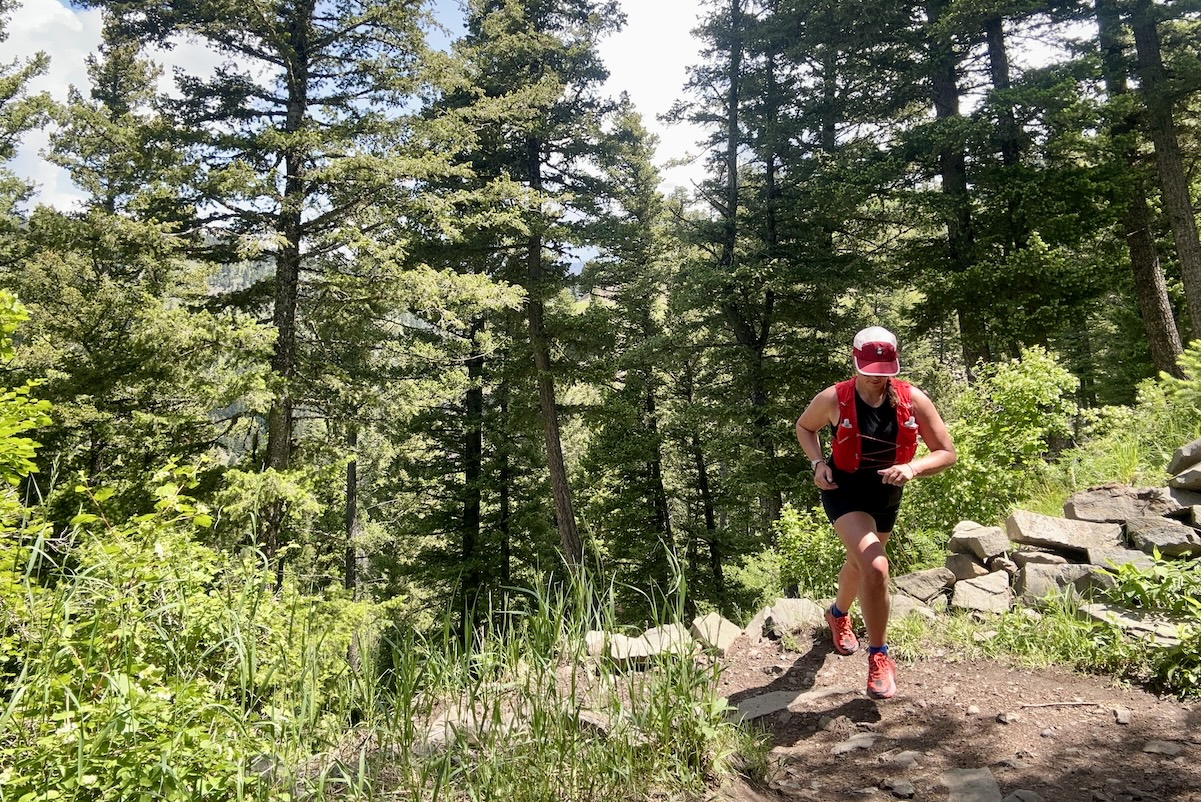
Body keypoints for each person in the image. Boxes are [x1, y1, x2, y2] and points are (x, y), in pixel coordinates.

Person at [794, 326, 956, 699]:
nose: (875, 379)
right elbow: (805, 427)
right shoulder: (834, 398)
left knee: (860, 563)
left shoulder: (912, 399)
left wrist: (913, 468)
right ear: (855, 362)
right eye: (868, 371)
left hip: (886, 491)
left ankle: (837, 614)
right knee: (876, 564)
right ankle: (879, 656)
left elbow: (946, 452)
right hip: (844, 489)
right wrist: (818, 463)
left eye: (883, 372)